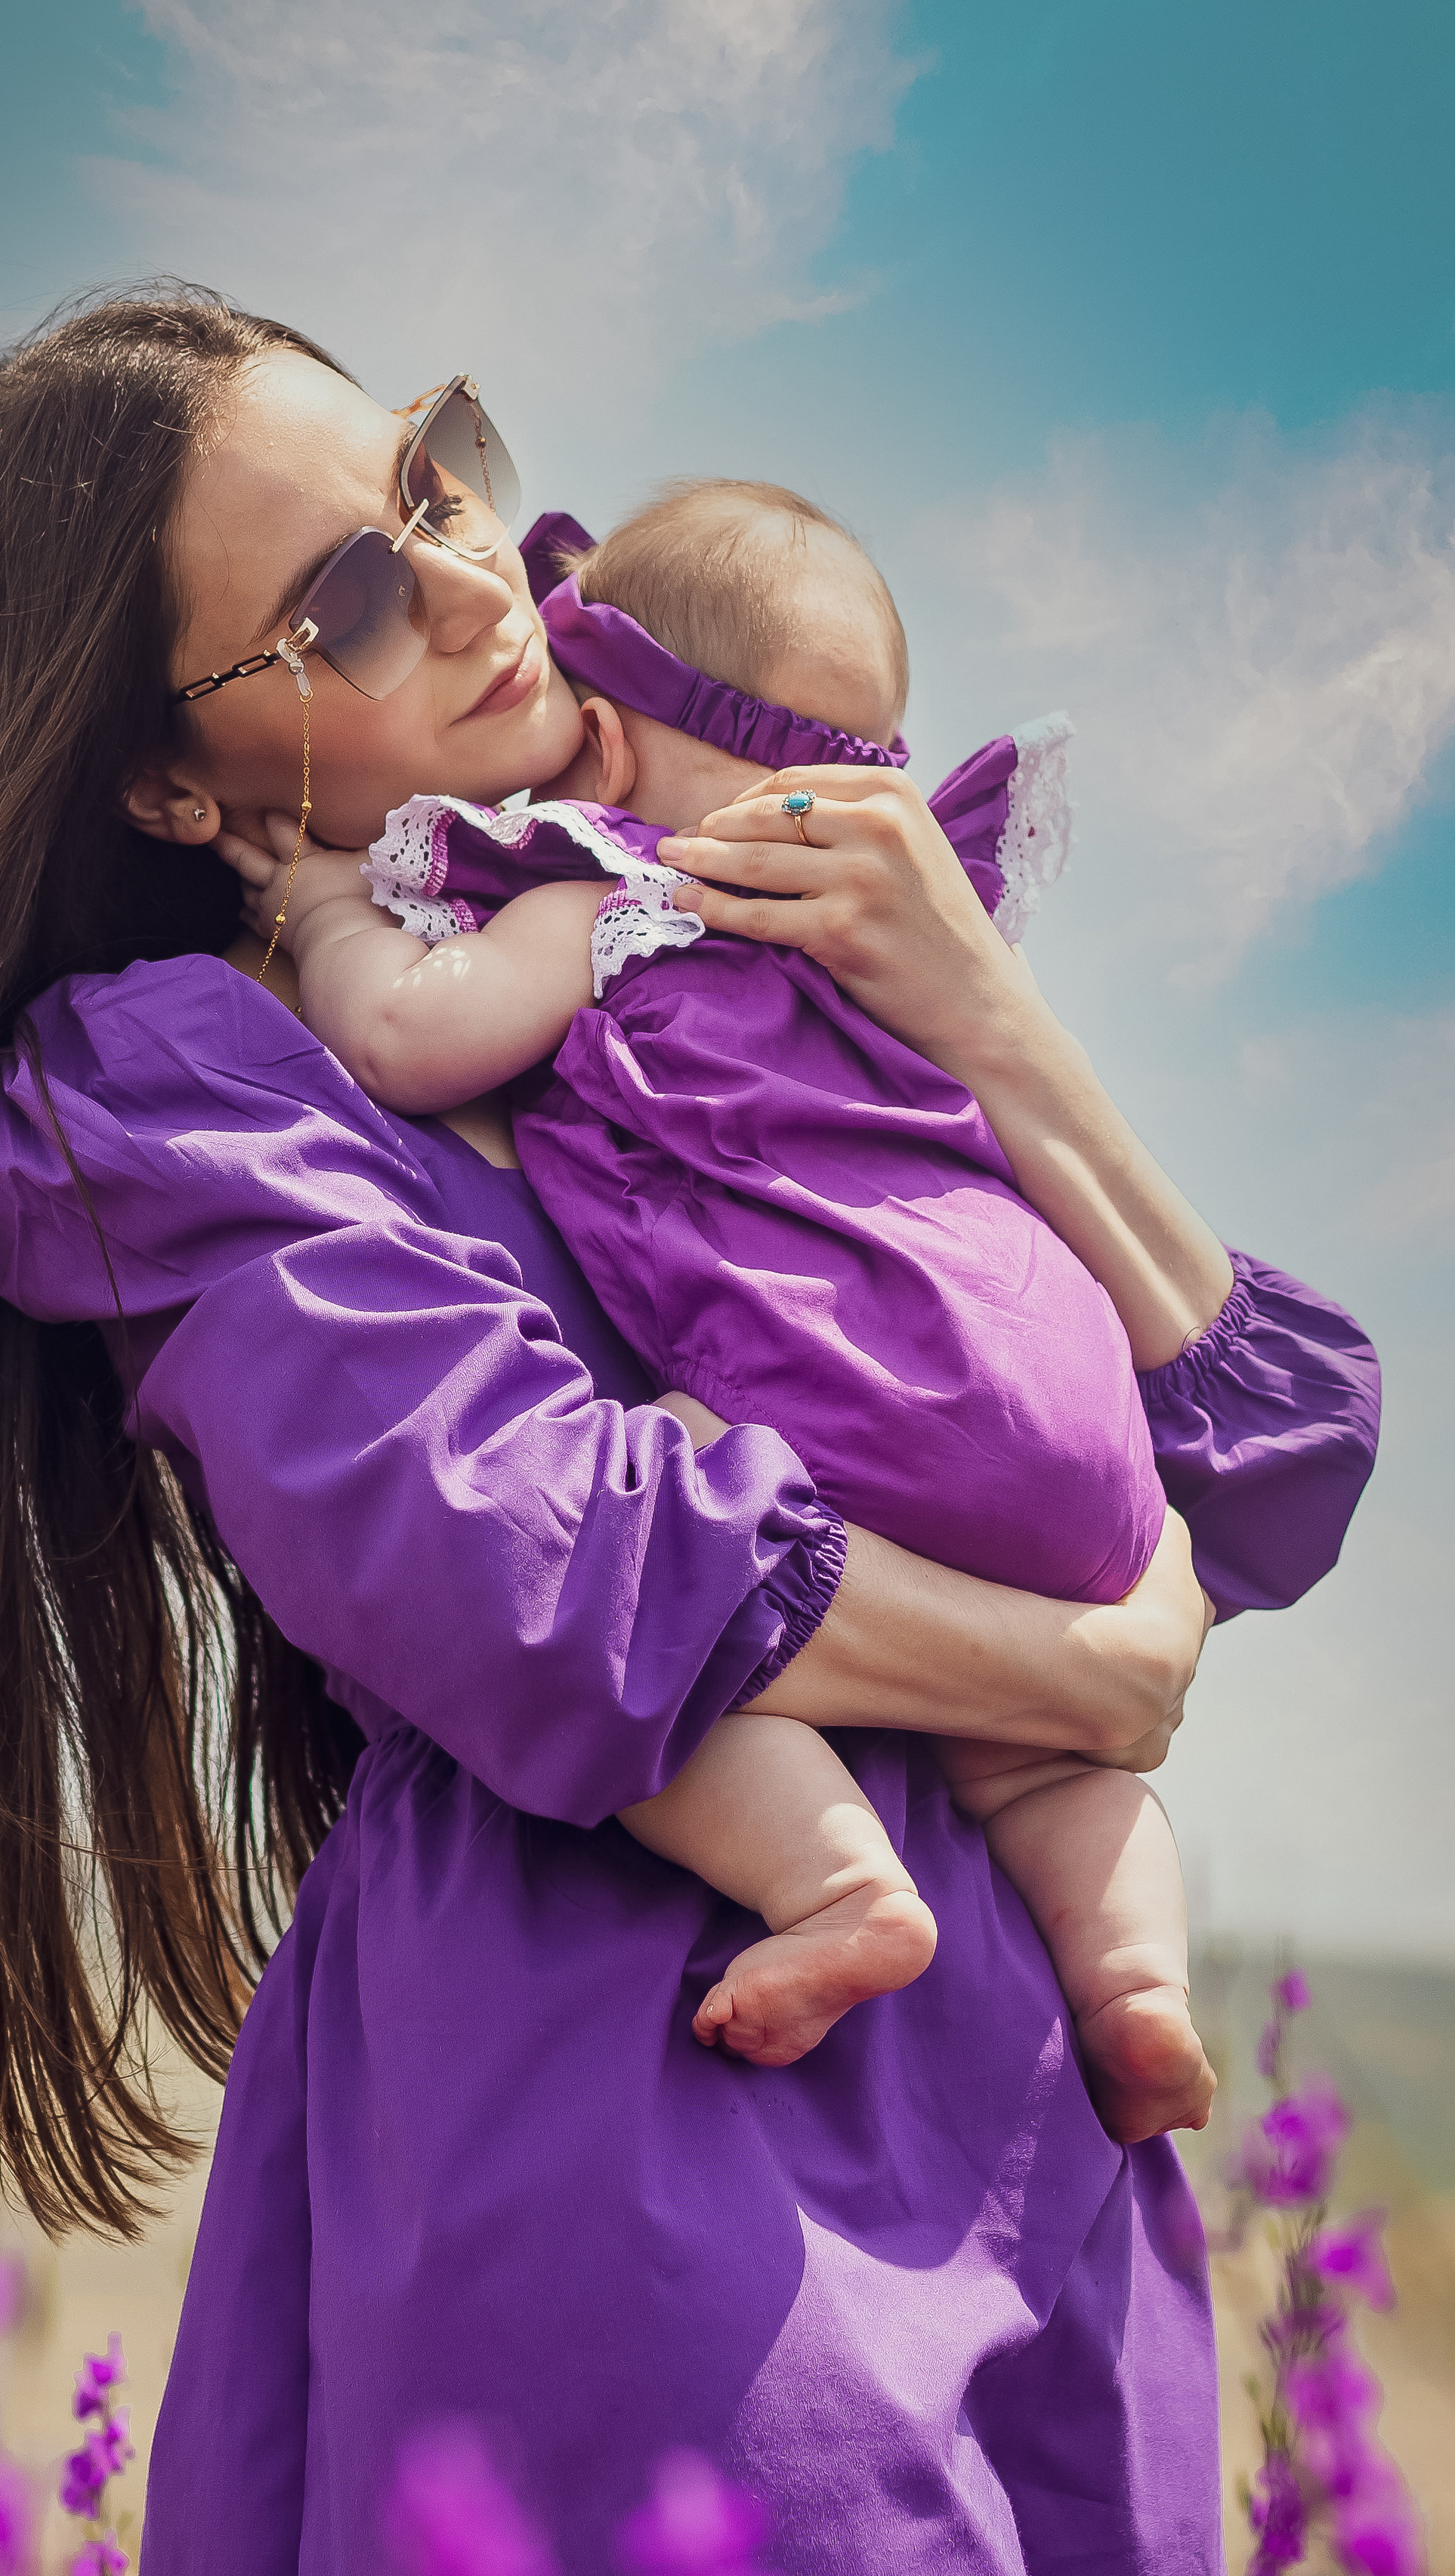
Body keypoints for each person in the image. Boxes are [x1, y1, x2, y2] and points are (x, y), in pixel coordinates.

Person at [0, 289, 1379, 2576]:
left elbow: (1265, 1463)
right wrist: (1084, 1658)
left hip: (1048, 2114)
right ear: (177, 785)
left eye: (440, 478)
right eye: (342, 588)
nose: (458, 579)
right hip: (647, 2118)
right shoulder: (168, 1085)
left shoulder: (710, 904)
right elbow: (544, 1551)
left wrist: (984, 1013)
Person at [224, 471, 1206, 2111]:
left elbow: (406, 1035)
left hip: (867, 1397)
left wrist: (322, 904)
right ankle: (1133, 1976)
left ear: (604, 745)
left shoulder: (620, 895)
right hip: (1084, 1433)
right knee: (1045, 1760)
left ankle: (830, 1881)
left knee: (664, 1543)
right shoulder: (899, 940)